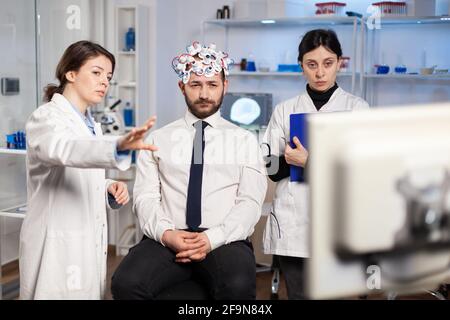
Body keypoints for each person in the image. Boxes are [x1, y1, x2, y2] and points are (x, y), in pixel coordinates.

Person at [111, 42, 267, 300]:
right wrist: (166, 234)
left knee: (237, 285)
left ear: (225, 87)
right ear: (182, 86)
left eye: (212, 85)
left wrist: (211, 238)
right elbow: (145, 198)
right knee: (126, 283)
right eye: (195, 85)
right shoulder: (157, 139)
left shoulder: (245, 141)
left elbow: (249, 203)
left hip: (224, 238)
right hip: (169, 236)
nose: (204, 93)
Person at [20, 40, 157, 300]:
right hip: (57, 241)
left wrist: (107, 187)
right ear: (70, 74)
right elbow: (63, 150)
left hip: (85, 240)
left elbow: (79, 169)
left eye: (108, 76)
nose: (104, 82)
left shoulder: (91, 124)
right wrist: (116, 146)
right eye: (96, 73)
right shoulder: (46, 117)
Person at [262, 29, 370, 299]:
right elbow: (270, 168)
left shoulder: (357, 109)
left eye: (327, 63)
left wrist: (308, 161)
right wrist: (296, 161)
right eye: (312, 65)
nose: (320, 72)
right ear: (301, 65)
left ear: (339, 63)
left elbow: (361, 172)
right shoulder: (285, 110)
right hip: (293, 223)